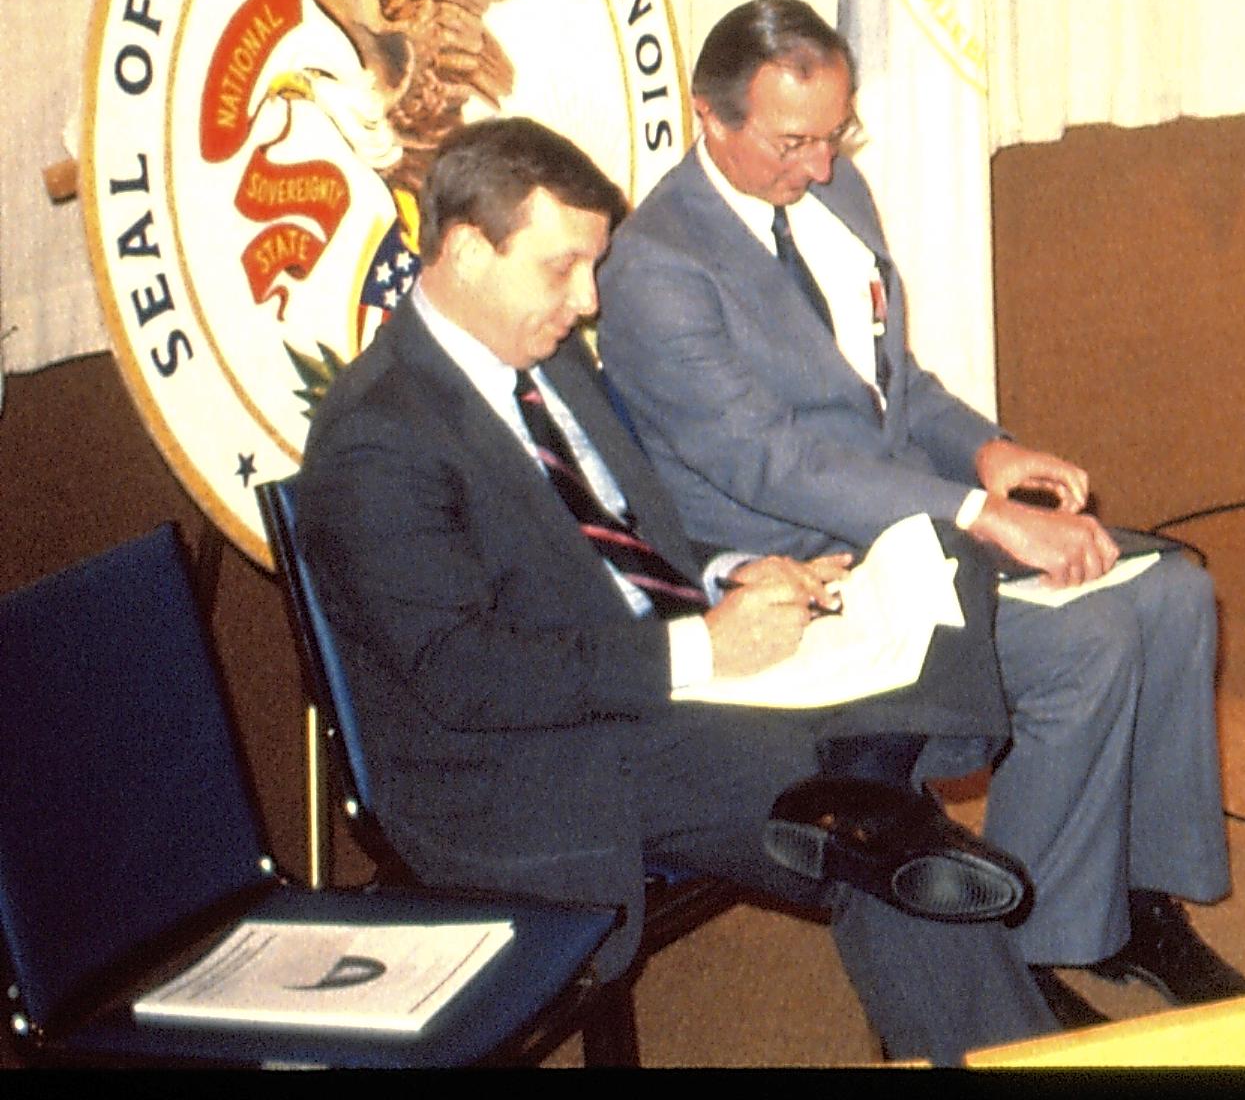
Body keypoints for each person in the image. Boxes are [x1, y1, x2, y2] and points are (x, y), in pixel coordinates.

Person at [292, 118, 1061, 1065]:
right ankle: (1003, 1025)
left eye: (595, 268)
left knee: (908, 676)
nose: (587, 301)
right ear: (463, 250)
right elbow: (464, 676)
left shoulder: (546, 356)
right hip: (522, 760)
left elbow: (623, 530)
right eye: (563, 268)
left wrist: (726, 573)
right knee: (858, 814)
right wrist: (700, 649)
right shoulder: (379, 437)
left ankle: (974, 987)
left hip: (648, 680)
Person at [596, 0, 1244, 1017]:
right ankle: (1009, 956)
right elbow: (775, 464)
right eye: (792, 142)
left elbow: (892, 388)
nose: (819, 166)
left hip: (917, 526)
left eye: (834, 134)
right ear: (706, 117)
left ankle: (1127, 904)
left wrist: (988, 450)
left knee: (1175, 595)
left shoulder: (835, 195)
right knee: (1099, 636)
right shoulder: (655, 270)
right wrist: (981, 515)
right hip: (810, 567)